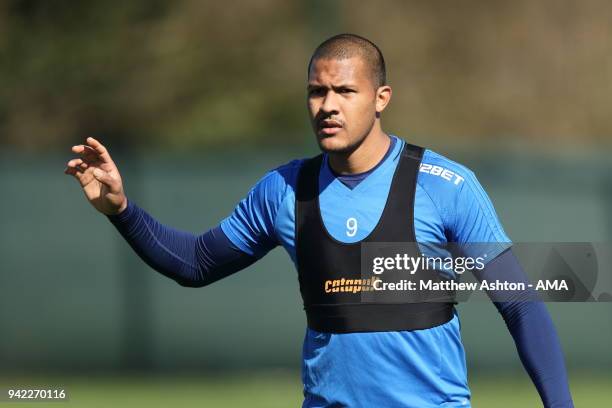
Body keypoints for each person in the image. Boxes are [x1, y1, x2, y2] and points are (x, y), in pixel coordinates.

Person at [64, 34, 574, 407]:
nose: (327, 106)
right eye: (316, 91)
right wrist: (121, 211)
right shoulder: (284, 190)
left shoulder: (447, 186)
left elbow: (521, 306)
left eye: (345, 92)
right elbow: (196, 263)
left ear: (380, 99)